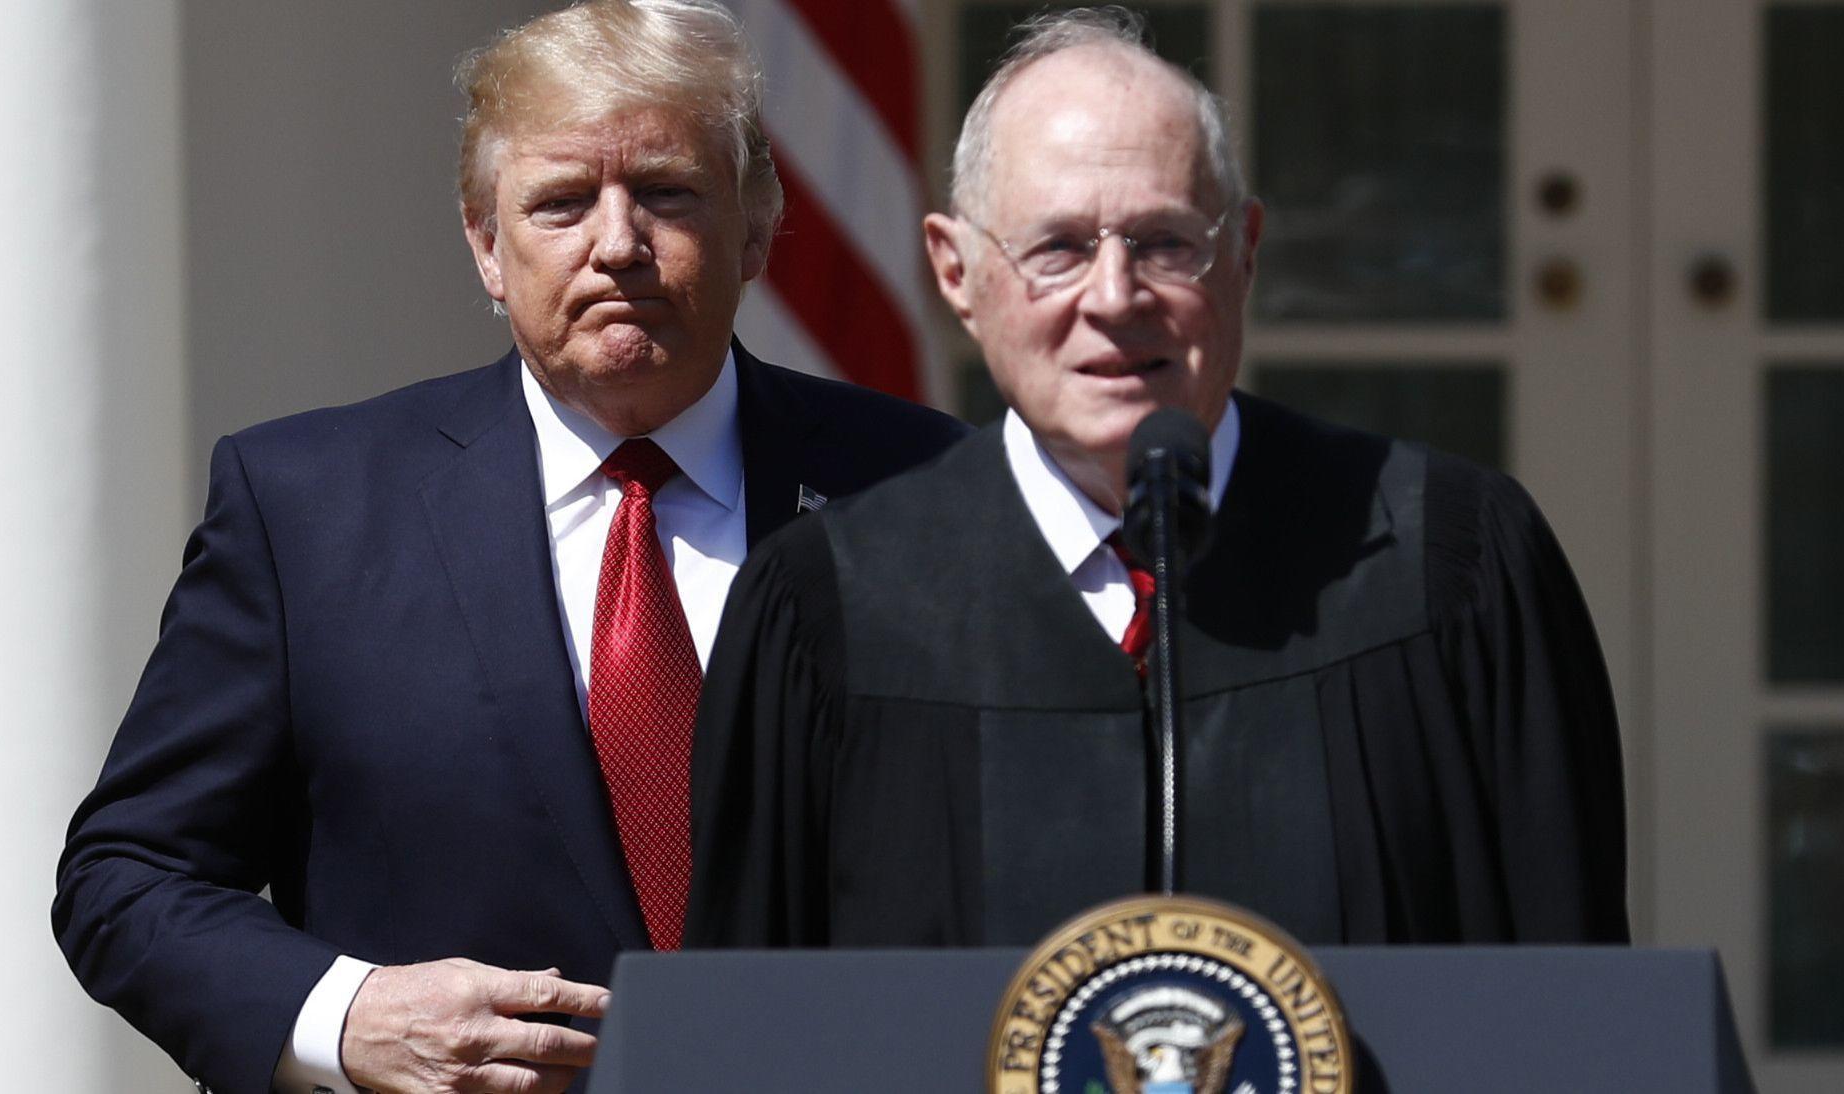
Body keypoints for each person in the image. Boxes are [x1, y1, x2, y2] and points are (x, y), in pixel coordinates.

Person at [52, 3, 965, 1092]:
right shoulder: (310, 507)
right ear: (487, 245)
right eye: (561, 202)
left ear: (758, 226)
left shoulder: (924, 487)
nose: (617, 242)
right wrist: (348, 1013)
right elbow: (130, 873)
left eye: (666, 192)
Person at [685, 8, 1628, 953]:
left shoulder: (1446, 563)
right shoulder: (830, 608)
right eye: (1055, 248)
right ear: (957, 271)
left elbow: (1573, 1010)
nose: (1114, 297)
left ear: (1246, 253)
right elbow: (754, 1030)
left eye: (1165, 242)